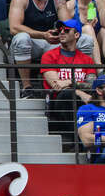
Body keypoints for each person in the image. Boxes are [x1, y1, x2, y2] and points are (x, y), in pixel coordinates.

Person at [10, 0, 73, 96]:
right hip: (31, 40)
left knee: (79, 39)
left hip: (49, 40)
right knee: (22, 38)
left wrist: (60, 34)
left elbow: (68, 25)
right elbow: (14, 27)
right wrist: (42, 35)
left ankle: (57, 89)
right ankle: (26, 87)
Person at [40, 18, 97, 152]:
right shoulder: (49, 56)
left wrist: (71, 82)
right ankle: (80, 141)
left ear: (76, 35)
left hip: (82, 102)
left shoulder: (87, 60)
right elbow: (56, 86)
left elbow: (92, 85)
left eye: (66, 30)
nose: (62, 33)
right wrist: (79, 91)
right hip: (58, 101)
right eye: (60, 30)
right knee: (67, 95)